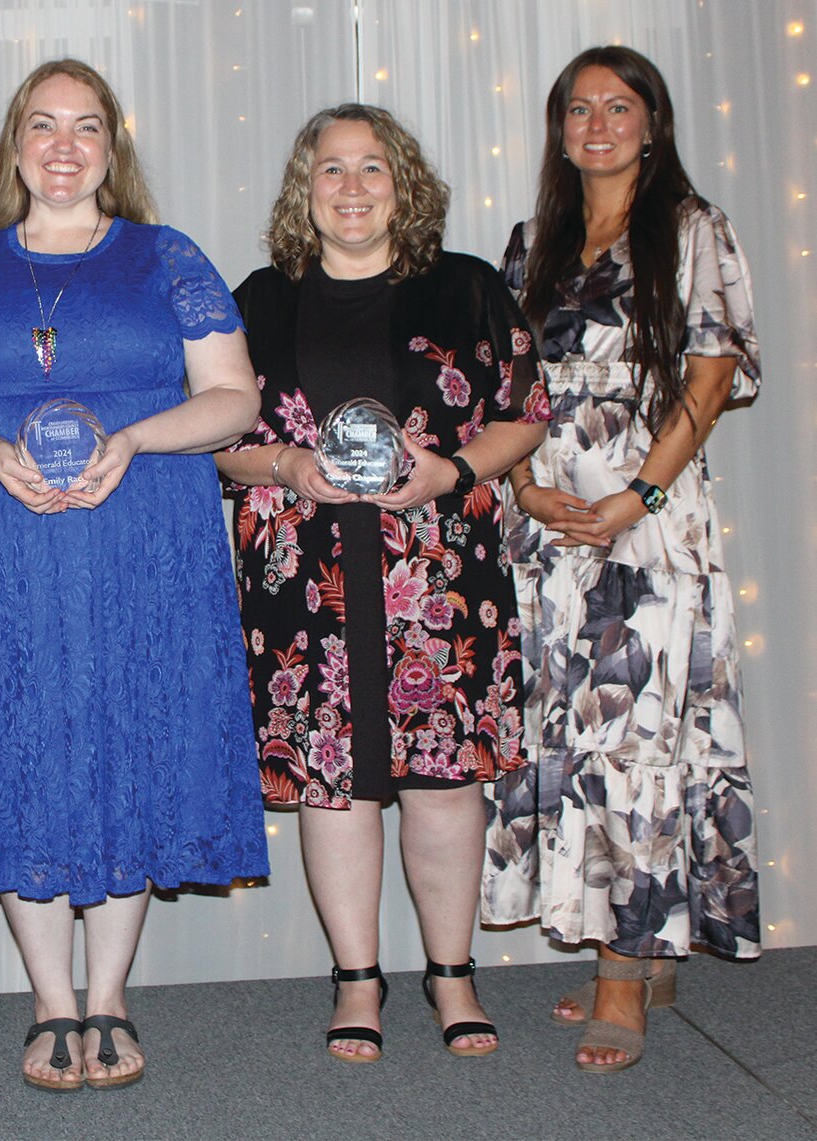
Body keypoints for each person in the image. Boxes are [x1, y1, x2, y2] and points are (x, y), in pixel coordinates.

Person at [0, 58, 269, 1092]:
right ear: (16, 148)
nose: (64, 146)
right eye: (43, 126)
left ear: (112, 148)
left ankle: (110, 996)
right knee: (22, 743)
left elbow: (234, 398)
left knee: (129, 736)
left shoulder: (166, 257)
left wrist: (136, 439)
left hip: (142, 536)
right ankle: (52, 1004)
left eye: (86, 127)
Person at [217, 104, 550, 1064]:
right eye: (331, 169)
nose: (352, 187)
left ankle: (452, 973)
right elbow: (219, 441)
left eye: (373, 169)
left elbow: (524, 412)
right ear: (303, 188)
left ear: (404, 184)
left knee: (445, 782)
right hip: (304, 580)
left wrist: (450, 471)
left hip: (439, 570)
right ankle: (356, 980)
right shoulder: (258, 300)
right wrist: (285, 467)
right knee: (334, 789)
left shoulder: (467, 287)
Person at [481, 46, 761, 1073]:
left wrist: (636, 493)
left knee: (635, 746)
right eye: (579, 110)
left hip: (643, 530)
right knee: (574, 744)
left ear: (653, 121)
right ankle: (636, 945)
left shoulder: (693, 231)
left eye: (619, 106)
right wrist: (520, 487)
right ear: (559, 129)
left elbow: (715, 366)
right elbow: (505, 387)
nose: (598, 124)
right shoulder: (532, 245)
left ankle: (619, 977)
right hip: (549, 534)